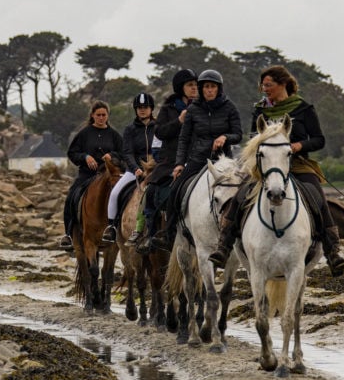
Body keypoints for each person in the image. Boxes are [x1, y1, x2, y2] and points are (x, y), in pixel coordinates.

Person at [208, 65, 344, 277]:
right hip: (265, 167)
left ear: (283, 84)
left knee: (318, 199)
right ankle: (224, 246)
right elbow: (254, 138)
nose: (264, 89)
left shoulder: (303, 108)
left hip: (298, 164)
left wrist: (298, 146)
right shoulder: (260, 109)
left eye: (268, 85)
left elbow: (319, 140)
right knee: (239, 196)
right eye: (262, 85)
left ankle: (333, 251)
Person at [151, 69, 243, 252]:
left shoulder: (229, 107)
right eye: (206, 87)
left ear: (219, 89)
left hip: (223, 160)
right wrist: (178, 164)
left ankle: (241, 233)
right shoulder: (193, 110)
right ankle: (168, 234)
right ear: (202, 89)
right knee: (176, 188)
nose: (209, 90)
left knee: (243, 190)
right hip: (198, 158)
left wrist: (225, 137)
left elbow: (238, 134)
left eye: (213, 87)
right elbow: (184, 139)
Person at [133, 69, 199, 252]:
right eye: (190, 85)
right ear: (181, 88)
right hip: (171, 160)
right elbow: (160, 132)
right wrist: (179, 121)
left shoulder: (202, 107)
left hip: (197, 159)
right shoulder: (168, 109)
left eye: (196, 84)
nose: (195, 88)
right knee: (151, 191)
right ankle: (151, 234)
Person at [59, 101, 124, 250]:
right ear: (92, 116)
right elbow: (72, 152)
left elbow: (123, 153)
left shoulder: (114, 135)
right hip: (87, 175)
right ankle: (68, 234)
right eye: (98, 115)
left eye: (104, 115)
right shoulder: (84, 133)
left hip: (108, 175)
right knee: (71, 196)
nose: (101, 118)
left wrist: (112, 155)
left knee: (123, 195)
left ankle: (116, 228)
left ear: (107, 116)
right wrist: (85, 157)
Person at [102, 92, 157, 242]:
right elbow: (127, 152)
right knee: (114, 194)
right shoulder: (130, 129)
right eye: (139, 107)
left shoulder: (159, 127)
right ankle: (112, 226)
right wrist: (135, 169)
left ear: (151, 108)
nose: (142, 110)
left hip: (156, 171)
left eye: (145, 107)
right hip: (134, 171)